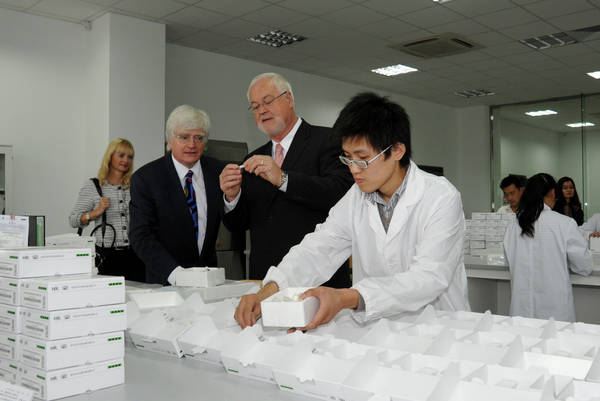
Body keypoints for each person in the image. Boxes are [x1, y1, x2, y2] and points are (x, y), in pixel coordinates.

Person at [234, 92, 470, 330]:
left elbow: (428, 277)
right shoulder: (356, 197)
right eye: (347, 158)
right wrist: (269, 291)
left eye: (363, 158)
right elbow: (318, 249)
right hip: (379, 330)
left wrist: (348, 297)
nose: (354, 170)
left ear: (397, 150)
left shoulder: (440, 197)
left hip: (437, 328)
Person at [219, 72, 353, 286]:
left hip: (317, 279)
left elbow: (340, 194)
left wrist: (283, 179)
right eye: (255, 106)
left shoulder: (328, 140)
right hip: (265, 279)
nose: (262, 110)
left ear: (289, 99)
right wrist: (231, 197)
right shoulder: (252, 159)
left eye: (267, 101)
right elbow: (239, 225)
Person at [129, 105, 224, 285]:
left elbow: (235, 221)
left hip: (209, 282)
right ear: (169, 140)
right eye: (184, 137)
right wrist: (176, 275)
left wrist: (233, 197)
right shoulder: (146, 178)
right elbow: (140, 235)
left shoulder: (218, 171)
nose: (192, 144)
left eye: (199, 137)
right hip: (164, 284)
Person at [503, 173, 592, 322]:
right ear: (552, 192)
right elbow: (584, 266)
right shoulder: (564, 224)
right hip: (555, 314)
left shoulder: (513, 225)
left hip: (521, 312)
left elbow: (508, 261)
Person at [69, 138, 145, 281]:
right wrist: (95, 213)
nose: (126, 160)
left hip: (135, 255)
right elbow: (73, 220)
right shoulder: (94, 186)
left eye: (130, 157)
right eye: (121, 155)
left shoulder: (135, 185)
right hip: (107, 257)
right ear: (110, 156)